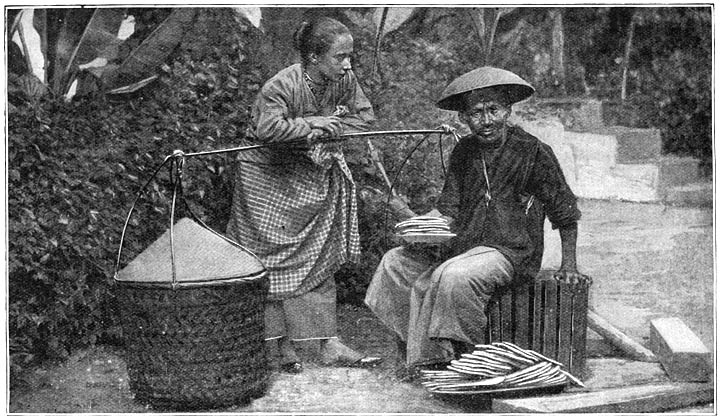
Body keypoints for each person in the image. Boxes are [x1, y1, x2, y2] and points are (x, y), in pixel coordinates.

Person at [364, 66, 590, 370]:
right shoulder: (464, 151)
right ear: (463, 118)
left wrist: (570, 265)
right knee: (394, 262)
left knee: (454, 276)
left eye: (493, 110)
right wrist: (415, 225)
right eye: (476, 113)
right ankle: (421, 353)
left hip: (509, 252)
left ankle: (461, 359)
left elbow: (565, 211)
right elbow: (448, 210)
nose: (485, 121)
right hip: (462, 247)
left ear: (508, 110)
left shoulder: (532, 151)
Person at [226, 17, 381, 373]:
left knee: (321, 256)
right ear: (313, 56)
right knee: (271, 263)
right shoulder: (281, 85)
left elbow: (364, 117)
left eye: (350, 56)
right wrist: (312, 124)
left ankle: (328, 342)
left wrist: (333, 128)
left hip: (312, 175)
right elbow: (268, 128)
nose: (347, 64)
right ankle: (278, 347)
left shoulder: (345, 80)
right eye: (340, 56)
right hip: (267, 179)